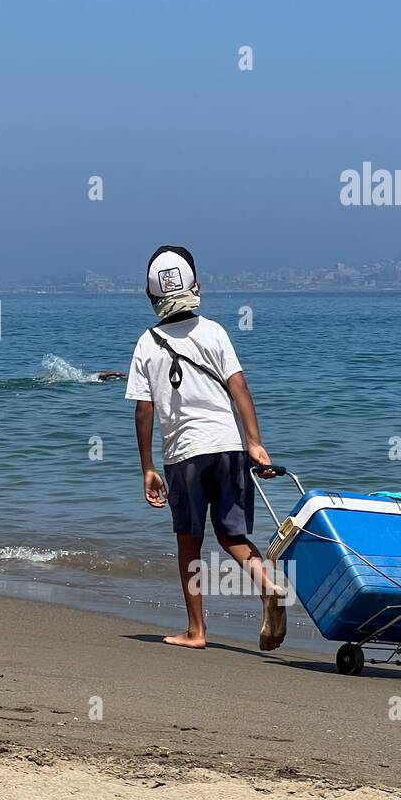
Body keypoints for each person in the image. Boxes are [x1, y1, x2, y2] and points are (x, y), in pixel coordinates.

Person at [125, 245, 286, 651]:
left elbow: (144, 412)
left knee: (188, 539)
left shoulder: (147, 344)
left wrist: (147, 466)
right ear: (197, 286)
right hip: (230, 446)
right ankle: (268, 584)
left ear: (150, 297)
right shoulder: (215, 332)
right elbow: (239, 389)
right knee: (232, 534)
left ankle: (197, 630)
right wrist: (256, 443)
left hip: (186, 454)